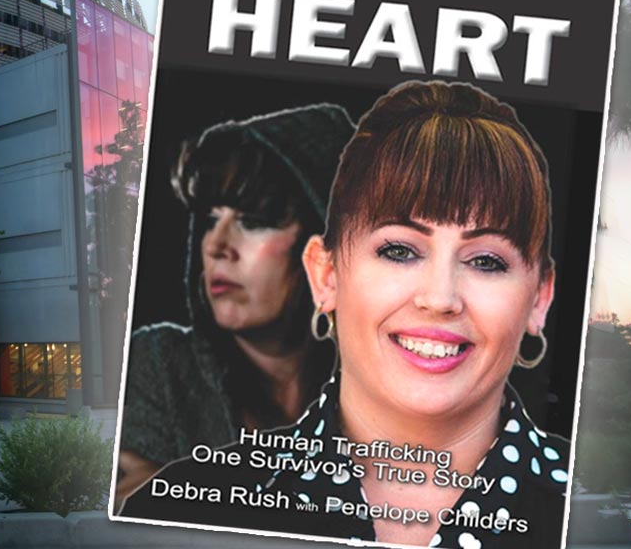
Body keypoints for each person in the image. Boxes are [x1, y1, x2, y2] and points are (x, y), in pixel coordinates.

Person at [119, 81, 571, 549]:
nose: (440, 298)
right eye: (399, 250)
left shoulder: (597, 514)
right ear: (326, 274)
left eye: (486, 261)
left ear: (539, 298)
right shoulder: (176, 511)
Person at [115, 104, 353, 503]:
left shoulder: (382, 384)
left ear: (323, 253)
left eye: (253, 221)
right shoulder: (159, 363)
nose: (216, 245)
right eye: (211, 219)